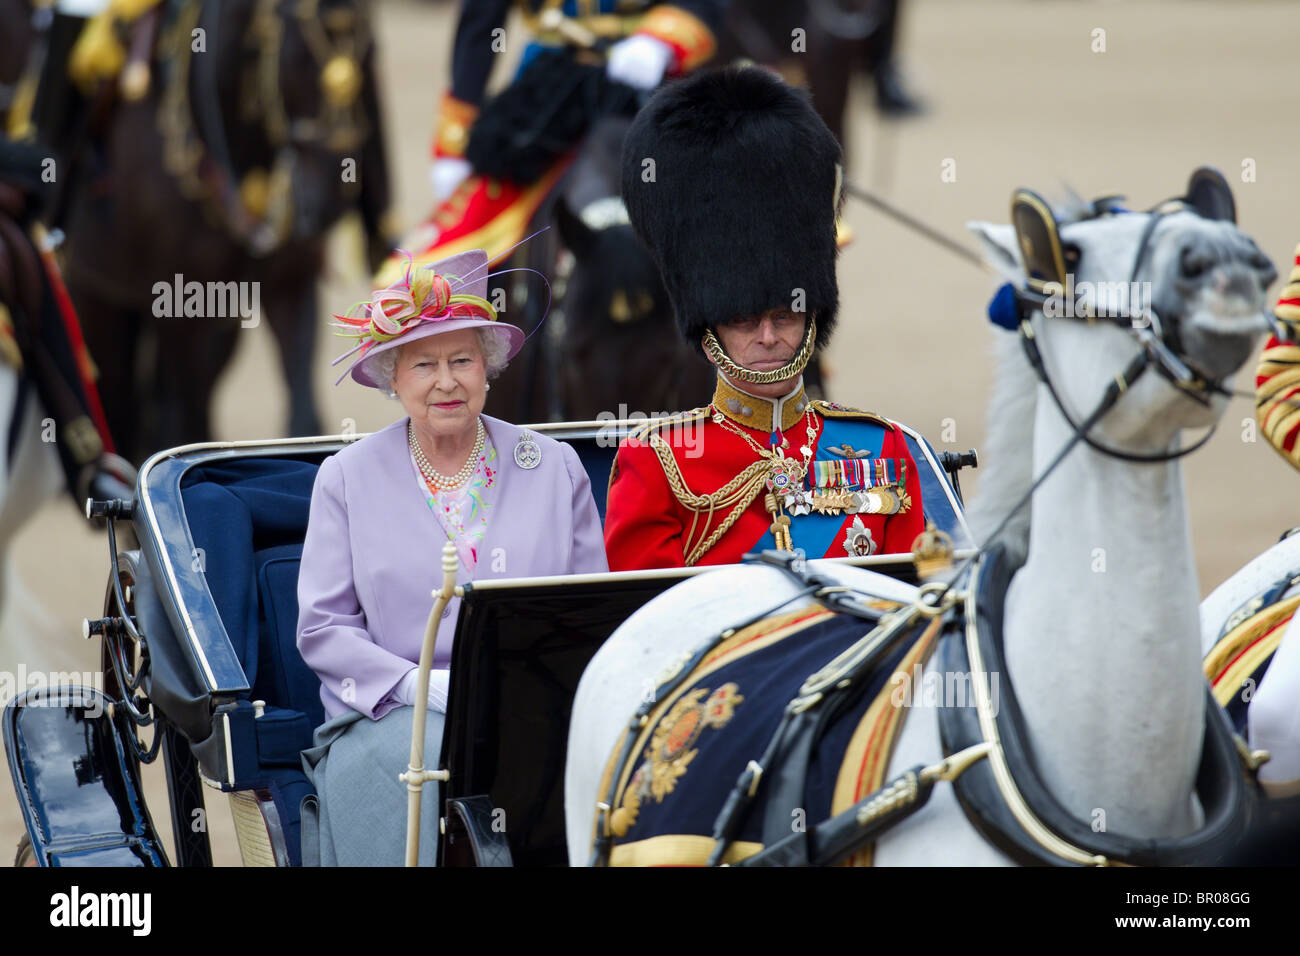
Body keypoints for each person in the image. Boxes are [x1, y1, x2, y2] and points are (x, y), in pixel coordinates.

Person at [296, 248, 608, 865]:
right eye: (424, 364)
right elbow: (324, 628)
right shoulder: (346, 478)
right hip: (393, 719)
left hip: (536, 706)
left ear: (487, 369)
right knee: (438, 754)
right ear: (393, 376)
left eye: (462, 360)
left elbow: (589, 607)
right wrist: (416, 687)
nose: (446, 381)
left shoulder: (551, 466)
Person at [603, 66, 924, 570]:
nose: (769, 337)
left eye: (786, 315)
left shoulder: (881, 447)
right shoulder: (656, 463)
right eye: (744, 320)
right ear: (710, 326)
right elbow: (651, 633)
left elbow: (916, 607)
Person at [382, 0, 722, 282]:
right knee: (454, 259)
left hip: (657, 72)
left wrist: (664, 39)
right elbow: (483, 22)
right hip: (551, 88)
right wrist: (456, 137)